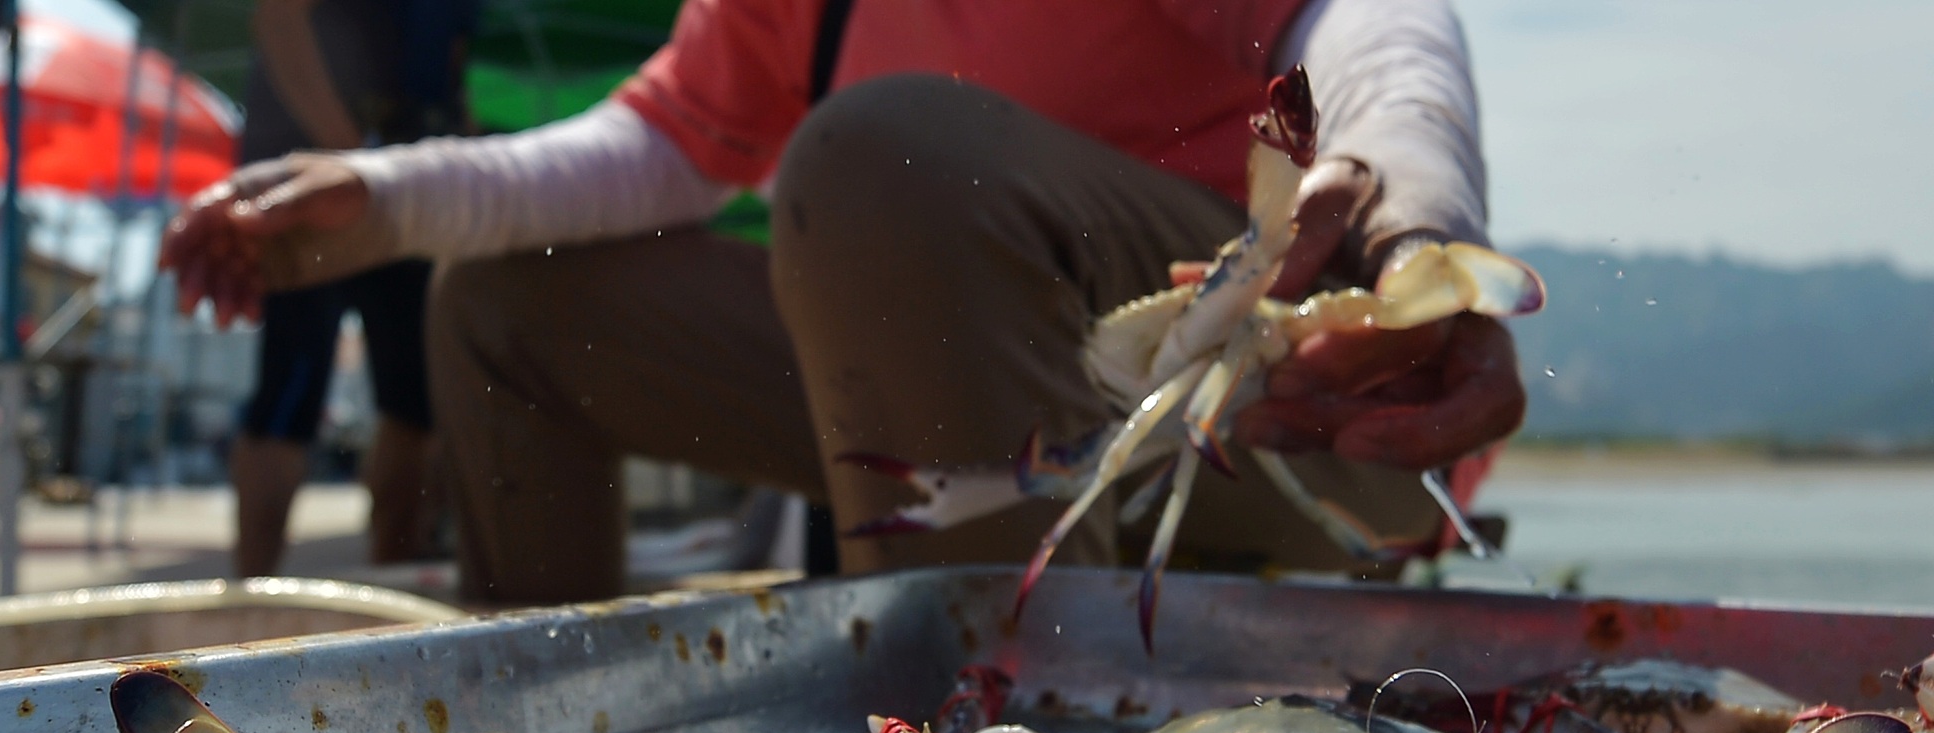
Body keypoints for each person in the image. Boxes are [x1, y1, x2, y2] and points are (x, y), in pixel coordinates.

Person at [165, 0, 1525, 605]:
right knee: (503, 306)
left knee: (883, 151)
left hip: (1277, 409)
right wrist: (384, 198)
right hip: (1000, 421)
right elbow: (656, 145)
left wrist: (1412, 198)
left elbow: (1366, 18)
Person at [228, 0, 476, 576]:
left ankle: (394, 582)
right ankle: (251, 595)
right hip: (308, 171)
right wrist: (355, 164)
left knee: (415, 403)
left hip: (407, 181)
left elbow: (453, 67)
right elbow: (279, 19)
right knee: (290, 390)